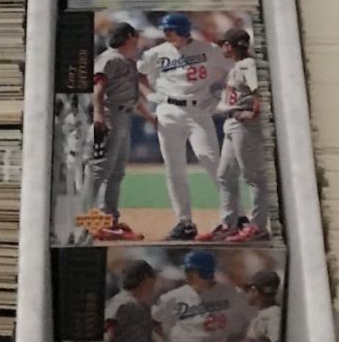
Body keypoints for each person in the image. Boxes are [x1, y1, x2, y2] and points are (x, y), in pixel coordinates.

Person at [137, 13, 225, 241]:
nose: (167, 33)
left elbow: (230, 67)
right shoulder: (156, 53)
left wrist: (219, 96)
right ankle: (184, 222)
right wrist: (151, 96)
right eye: (165, 29)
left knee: (211, 160)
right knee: (174, 169)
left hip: (198, 110)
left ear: (184, 30)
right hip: (168, 110)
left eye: (171, 29)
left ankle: (235, 217)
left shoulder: (207, 49)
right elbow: (137, 74)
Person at [202, 26, 270, 242]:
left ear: (229, 46)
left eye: (224, 44)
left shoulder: (248, 65)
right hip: (233, 123)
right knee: (225, 175)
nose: (222, 48)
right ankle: (229, 224)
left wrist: (254, 113)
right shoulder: (240, 65)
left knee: (253, 177)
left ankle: (258, 227)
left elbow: (262, 91)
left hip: (245, 125)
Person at [86, 21, 148, 240]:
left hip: (123, 116)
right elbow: (98, 89)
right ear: (129, 36)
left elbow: (132, 96)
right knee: (100, 171)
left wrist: (150, 117)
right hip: (110, 115)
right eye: (136, 35)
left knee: (116, 173)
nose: (138, 39)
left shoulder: (126, 60)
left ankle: (109, 220)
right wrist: (99, 115)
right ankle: (89, 222)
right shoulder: (110, 58)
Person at [152, 249, 236, 342]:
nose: (187, 275)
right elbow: (152, 321)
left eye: (191, 271)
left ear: (205, 272)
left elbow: (243, 324)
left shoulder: (229, 294)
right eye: (187, 271)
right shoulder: (174, 296)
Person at [103, 258, 159, 342]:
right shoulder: (122, 303)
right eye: (152, 283)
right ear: (145, 280)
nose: (153, 288)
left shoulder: (143, 306)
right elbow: (108, 339)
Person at [231, 268, 283, 342]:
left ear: (254, 291)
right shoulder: (267, 313)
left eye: (247, 290)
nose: (246, 293)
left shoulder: (273, 314)